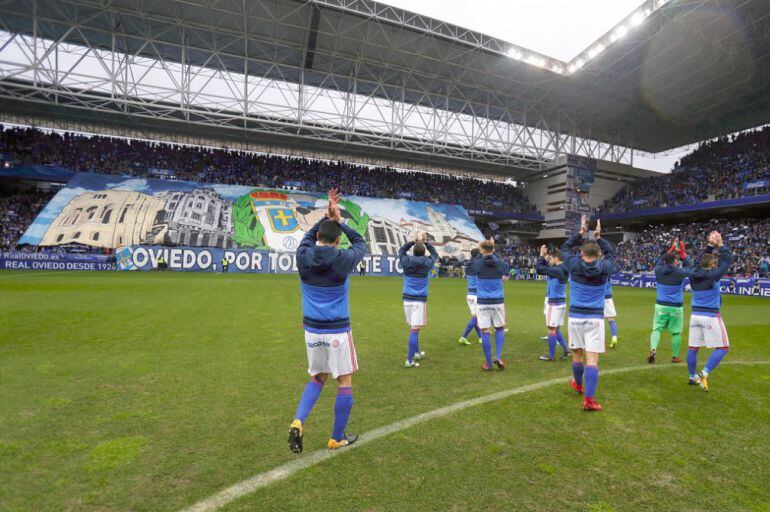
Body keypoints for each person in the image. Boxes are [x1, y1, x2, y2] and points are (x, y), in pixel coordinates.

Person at [288, 189, 367, 453]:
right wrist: (340, 221)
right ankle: (337, 436)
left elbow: (306, 241)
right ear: (336, 242)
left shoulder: (302, 257)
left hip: (311, 331)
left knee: (317, 379)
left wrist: (324, 218)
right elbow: (360, 244)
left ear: (318, 236)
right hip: (337, 331)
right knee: (344, 382)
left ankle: (298, 420)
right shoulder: (343, 259)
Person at [560, 216, 618, 411]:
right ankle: (589, 400)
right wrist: (599, 237)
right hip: (595, 319)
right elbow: (612, 253)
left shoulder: (574, 265)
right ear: (598, 253)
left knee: (577, 354)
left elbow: (565, 249)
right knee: (592, 359)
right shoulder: (605, 267)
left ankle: (577, 384)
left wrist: (580, 233)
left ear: (582, 253)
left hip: (576, 317)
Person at [686, 231, 733, 392]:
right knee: (723, 348)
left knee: (693, 348)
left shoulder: (693, 273)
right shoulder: (713, 275)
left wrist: (709, 246)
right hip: (711, 316)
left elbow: (700, 260)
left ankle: (692, 376)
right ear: (713, 265)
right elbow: (728, 261)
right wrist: (719, 244)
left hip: (695, 316)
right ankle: (703, 373)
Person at [398, 231, 438, 368]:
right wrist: (425, 242)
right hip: (419, 300)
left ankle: (416, 353)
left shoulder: (407, 261)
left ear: (413, 251)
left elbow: (401, 251)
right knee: (414, 329)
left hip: (407, 299)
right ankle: (409, 360)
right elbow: (435, 254)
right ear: (423, 252)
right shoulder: (427, 263)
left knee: (414, 327)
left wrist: (413, 241)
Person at [468, 238, 508, 371]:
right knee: (500, 328)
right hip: (498, 301)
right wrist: (492, 250)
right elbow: (506, 277)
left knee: (485, 331)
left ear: (482, 250)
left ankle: (488, 363)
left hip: (483, 302)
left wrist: (481, 250)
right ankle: (498, 356)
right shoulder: (501, 263)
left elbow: (474, 262)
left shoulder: (478, 264)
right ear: (493, 249)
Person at [648, 239, 689, 364]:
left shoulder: (659, 270)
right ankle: (675, 356)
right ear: (676, 261)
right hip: (676, 307)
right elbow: (689, 267)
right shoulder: (680, 272)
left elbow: (660, 260)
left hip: (661, 305)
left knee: (657, 329)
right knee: (676, 332)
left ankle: (653, 349)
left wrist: (671, 248)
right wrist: (682, 253)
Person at [535, 245, 570, 361]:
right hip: (561, 303)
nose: (551, 260)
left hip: (554, 303)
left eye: (552, 258)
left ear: (556, 258)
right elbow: (547, 268)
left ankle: (551, 356)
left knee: (551, 329)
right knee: (556, 329)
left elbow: (540, 269)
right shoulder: (562, 269)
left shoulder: (558, 270)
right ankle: (566, 350)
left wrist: (541, 255)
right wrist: (544, 257)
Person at [458, 248, 482, 346]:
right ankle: (463, 337)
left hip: (469, 295)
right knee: (475, 319)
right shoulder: (478, 265)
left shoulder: (469, 265)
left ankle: (481, 337)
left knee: (475, 317)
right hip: (476, 295)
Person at [604, 280, 619, 348]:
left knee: (597, 319)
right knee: (611, 319)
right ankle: (614, 337)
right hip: (608, 298)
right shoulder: (609, 271)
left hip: (598, 297)